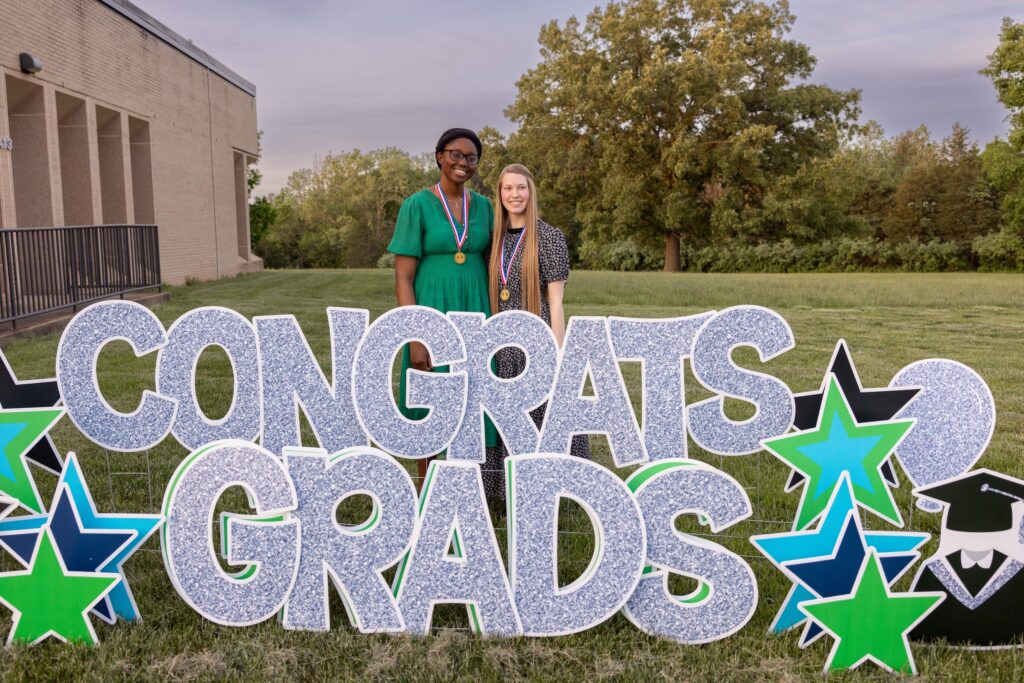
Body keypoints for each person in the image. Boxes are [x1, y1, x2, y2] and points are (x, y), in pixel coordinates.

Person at [387, 128, 496, 486]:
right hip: (431, 310)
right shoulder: (416, 204)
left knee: (471, 393)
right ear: (439, 157)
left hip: (475, 309)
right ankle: (427, 487)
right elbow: (403, 276)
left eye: (471, 157)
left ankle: (467, 486)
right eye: (455, 154)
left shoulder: (483, 206)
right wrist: (414, 334)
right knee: (428, 397)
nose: (463, 163)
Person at [482, 163, 589, 499]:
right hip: (499, 342)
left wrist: (558, 352)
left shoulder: (549, 237)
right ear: (499, 194)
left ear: (531, 192)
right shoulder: (493, 238)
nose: (515, 195)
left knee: (541, 416)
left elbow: (556, 302)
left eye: (521, 188)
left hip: (536, 337)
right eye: (508, 188)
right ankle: (502, 490)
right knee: (502, 419)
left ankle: (552, 489)